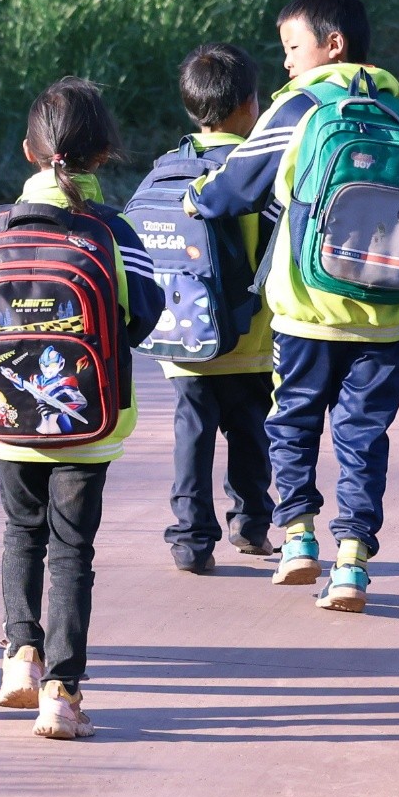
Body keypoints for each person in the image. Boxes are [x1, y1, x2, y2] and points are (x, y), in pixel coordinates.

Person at [184, 0, 399, 613]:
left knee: (291, 423)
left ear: (331, 45)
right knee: (362, 436)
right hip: (383, 316)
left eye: (293, 46)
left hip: (307, 311)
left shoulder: (299, 109)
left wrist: (194, 197)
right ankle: (352, 563)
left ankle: (297, 538)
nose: (286, 61)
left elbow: (235, 187)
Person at [0, 79, 160, 741]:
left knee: (20, 533)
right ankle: (62, 692)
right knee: (72, 549)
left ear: (29, 151)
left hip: (7, 422)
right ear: (104, 155)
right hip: (87, 425)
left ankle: (18, 659)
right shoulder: (116, 229)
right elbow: (144, 315)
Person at [151, 44, 275, 575]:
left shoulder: (166, 169)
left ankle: (189, 538)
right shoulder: (255, 172)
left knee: (192, 435)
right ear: (250, 105)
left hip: (185, 338)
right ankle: (249, 524)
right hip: (251, 344)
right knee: (250, 433)